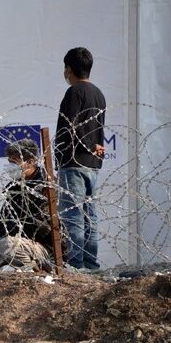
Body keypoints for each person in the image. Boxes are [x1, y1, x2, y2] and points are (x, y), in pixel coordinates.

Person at [55, 47, 106, 270]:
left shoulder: (75, 93)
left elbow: (69, 127)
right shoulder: (98, 94)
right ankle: (90, 262)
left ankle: (76, 263)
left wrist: (67, 152)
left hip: (74, 161)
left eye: (65, 68)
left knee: (73, 215)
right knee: (89, 215)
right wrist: (94, 149)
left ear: (69, 69)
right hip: (92, 163)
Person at [0, 139, 53, 271]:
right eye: (9, 162)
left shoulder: (45, 187)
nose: (10, 166)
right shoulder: (14, 187)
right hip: (17, 240)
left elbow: (43, 226)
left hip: (42, 245)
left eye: (14, 162)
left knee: (8, 243)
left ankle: (33, 269)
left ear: (30, 162)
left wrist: (14, 231)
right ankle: (3, 268)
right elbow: (2, 221)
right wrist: (9, 230)